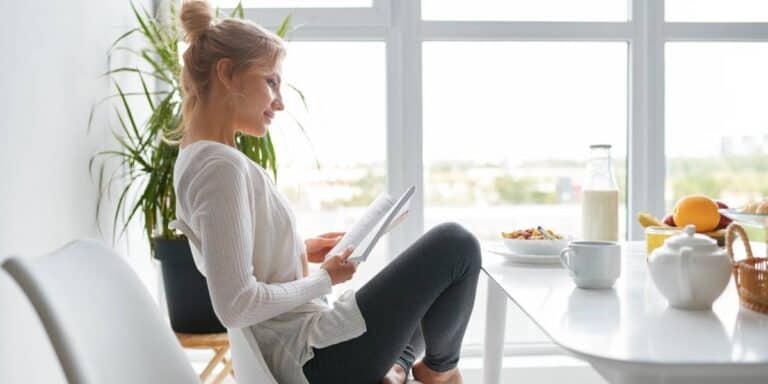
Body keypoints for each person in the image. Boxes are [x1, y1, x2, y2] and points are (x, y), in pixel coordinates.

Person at [170, 1, 481, 383]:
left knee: (433, 290)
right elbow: (235, 305)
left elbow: (237, 257)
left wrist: (301, 248)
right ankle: (440, 374)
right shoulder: (221, 167)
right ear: (227, 74)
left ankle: (396, 368)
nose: (279, 102)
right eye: (271, 81)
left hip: (310, 344)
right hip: (312, 359)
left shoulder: (198, 157)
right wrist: (325, 279)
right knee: (456, 245)